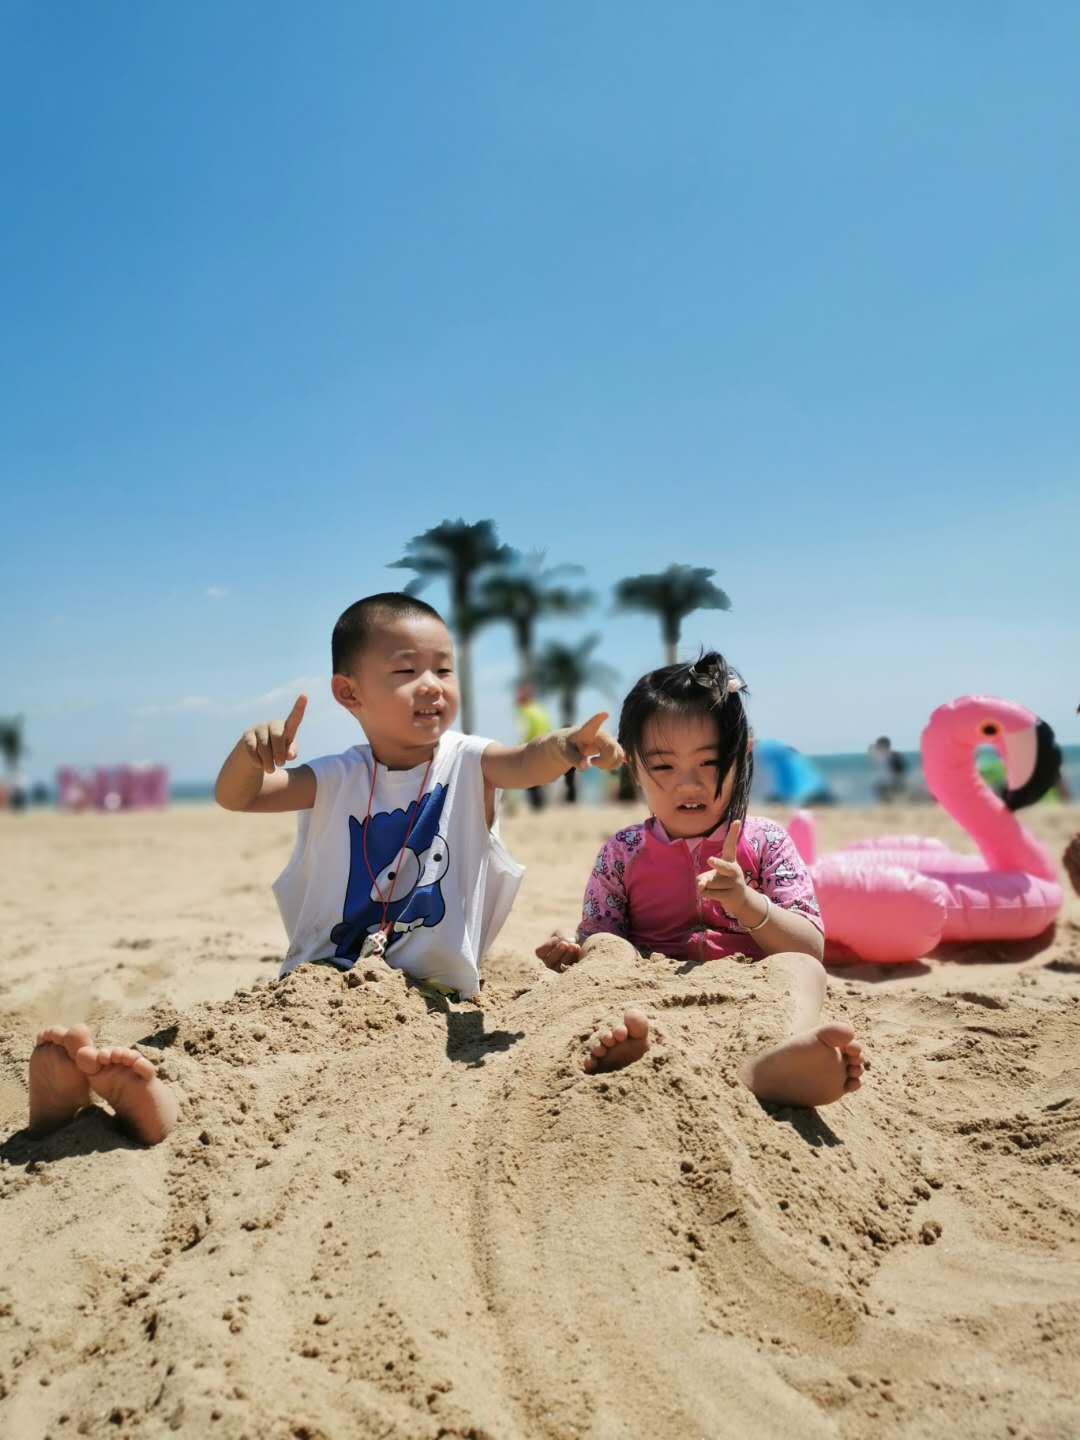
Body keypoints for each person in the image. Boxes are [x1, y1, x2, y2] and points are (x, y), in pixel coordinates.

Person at [27, 592, 623, 1147]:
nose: (432, 686)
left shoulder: (470, 762)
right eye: (406, 671)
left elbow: (524, 761)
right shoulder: (337, 775)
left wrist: (566, 746)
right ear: (349, 693)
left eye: (443, 670)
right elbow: (240, 796)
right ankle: (114, 1091)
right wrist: (248, 754)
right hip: (316, 984)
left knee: (306, 1080)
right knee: (253, 1049)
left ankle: (154, 1106)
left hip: (433, 996)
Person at [536, 653, 864, 1109]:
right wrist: (575, 950)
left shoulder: (767, 840)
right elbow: (599, 935)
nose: (687, 785)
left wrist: (747, 902)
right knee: (609, 949)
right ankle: (630, 1042)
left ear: (741, 755)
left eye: (708, 763)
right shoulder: (622, 852)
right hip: (650, 996)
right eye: (664, 767)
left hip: (752, 996)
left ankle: (775, 1061)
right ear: (634, 769)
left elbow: (811, 946)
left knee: (802, 969)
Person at [515, 683, 555, 810]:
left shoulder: (525, 711)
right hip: (545, 745)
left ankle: (537, 806)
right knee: (539, 778)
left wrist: (520, 747)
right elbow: (548, 727)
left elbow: (524, 730)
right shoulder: (540, 710)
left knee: (529, 778)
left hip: (532, 747)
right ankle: (541, 805)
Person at [869, 736, 907, 803]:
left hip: (891, 780)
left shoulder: (890, 755)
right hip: (888, 781)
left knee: (887, 797)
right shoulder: (892, 755)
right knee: (886, 797)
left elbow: (901, 768)